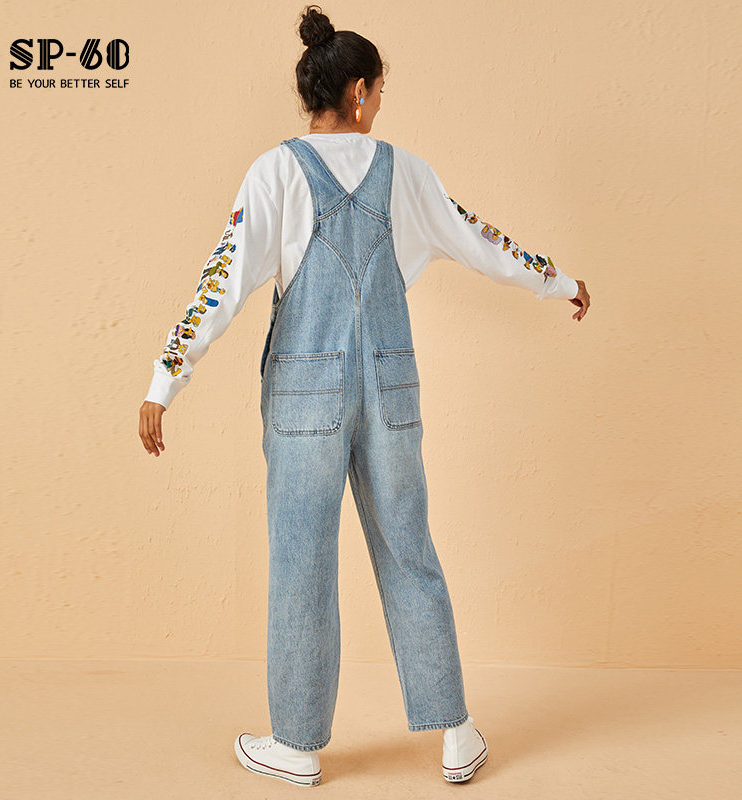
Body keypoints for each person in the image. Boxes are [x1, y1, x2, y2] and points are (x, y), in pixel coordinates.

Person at [139, 4, 590, 788]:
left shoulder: (274, 171)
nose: (381, 102)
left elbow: (223, 279)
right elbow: (478, 239)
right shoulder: (405, 171)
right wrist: (558, 280)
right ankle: (457, 735)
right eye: (379, 90)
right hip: (391, 385)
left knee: (301, 561)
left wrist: (165, 378)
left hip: (303, 395)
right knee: (409, 548)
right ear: (358, 91)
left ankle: (297, 745)